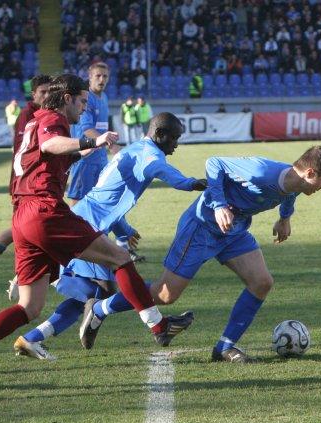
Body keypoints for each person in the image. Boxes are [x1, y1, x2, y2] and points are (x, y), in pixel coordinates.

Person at [0, 74, 176, 373]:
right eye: (82, 101)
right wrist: (91, 139)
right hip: (45, 211)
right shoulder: (52, 119)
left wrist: (88, 148)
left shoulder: (36, 120)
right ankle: (158, 326)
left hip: (23, 216)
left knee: (30, 307)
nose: (85, 107)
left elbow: (56, 152)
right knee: (120, 258)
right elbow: (51, 144)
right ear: (67, 97)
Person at [80, 146, 321, 363]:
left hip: (234, 231)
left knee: (262, 282)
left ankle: (225, 347)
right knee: (164, 295)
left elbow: (290, 193)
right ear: (310, 173)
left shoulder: (294, 181)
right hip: (202, 227)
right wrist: (219, 205)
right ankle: (101, 308)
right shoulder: (261, 171)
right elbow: (215, 163)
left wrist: (284, 218)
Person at [13, 112, 206, 360]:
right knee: (111, 288)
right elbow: (160, 170)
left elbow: (110, 193)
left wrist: (123, 228)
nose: (176, 144)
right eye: (174, 138)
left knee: (91, 294)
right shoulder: (150, 154)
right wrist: (191, 183)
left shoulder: (133, 149)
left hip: (85, 217)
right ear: (159, 134)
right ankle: (157, 323)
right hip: (85, 224)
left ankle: (31, 339)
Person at [0, 75, 52, 289]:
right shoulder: (27, 115)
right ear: (33, 94)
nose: (46, 95)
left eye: (49, 91)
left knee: (25, 230)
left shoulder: (46, 115)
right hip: (24, 186)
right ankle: (16, 273)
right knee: (25, 230)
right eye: (42, 92)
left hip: (38, 185)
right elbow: (23, 154)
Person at [68, 62, 120, 206]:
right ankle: (72, 228)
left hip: (101, 157)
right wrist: (111, 143)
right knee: (79, 200)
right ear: (90, 77)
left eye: (105, 76)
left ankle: (93, 229)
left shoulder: (104, 97)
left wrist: (110, 138)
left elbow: (101, 125)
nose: (101, 79)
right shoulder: (85, 98)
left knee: (100, 199)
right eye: (98, 75)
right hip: (85, 157)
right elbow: (87, 129)